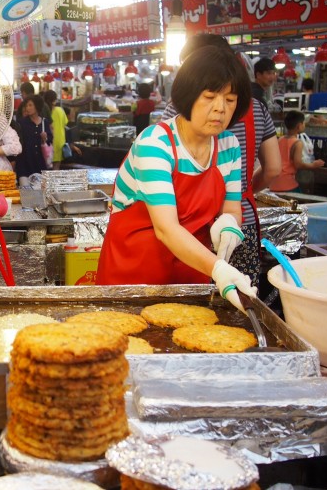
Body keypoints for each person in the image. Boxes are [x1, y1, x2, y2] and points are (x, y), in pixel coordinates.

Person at [96, 45, 257, 312]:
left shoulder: (229, 145)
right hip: (132, 279)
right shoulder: (156, 143)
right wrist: (218, 268)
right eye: (210, 97)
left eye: (230, 100)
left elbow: (231, 206)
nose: (220, 109)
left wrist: (229, 223)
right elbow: (166, 229)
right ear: (188, 96)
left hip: (191, 273)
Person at [161, 34, 281, 287]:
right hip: (241, 222)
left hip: (194, 226)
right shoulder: (258, 107)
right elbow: (273, 168)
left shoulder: (182, 107)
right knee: (239, 303)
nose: (220, 108)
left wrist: (230, 205)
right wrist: (243, 191)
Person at [269, 111, 324, 193]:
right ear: (299, 126)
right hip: (286, 184)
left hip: (273, 183)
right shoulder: (297, 143)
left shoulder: (280, 139)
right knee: (300, 201)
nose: (304, 125)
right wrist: (313, 165)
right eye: (303, 123)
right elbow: (298, 164)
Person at [15, 95, 53, 181]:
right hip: (24, 163)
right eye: (26, 106)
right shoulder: (21, 123)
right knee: (25, 190)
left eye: (30, 105)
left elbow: (50, 140)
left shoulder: (44, 122)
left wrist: (45, 138)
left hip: (40, 163)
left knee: (40, 191)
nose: (27, 108)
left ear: (37, 106)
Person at [43, 90, 70, 170]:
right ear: (55, 100)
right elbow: (65, 123)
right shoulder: (60, 110)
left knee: (46, 168)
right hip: (60, 142)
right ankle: (54, 182)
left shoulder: (45, 111)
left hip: (48, 142)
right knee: (56, 168)